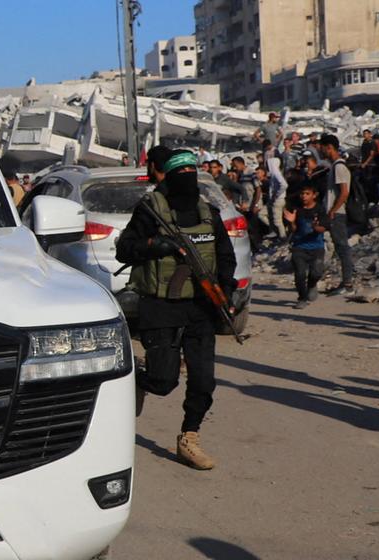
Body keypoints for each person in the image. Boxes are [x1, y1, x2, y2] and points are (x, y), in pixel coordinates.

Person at [116, 147, 237, 471]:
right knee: (163, 381)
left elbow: (225, 256)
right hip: (160, 306)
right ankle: (142, 379)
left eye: (191, 174)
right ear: (168, 177)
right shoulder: (150, 211)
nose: (186, 181)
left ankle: (189, 436)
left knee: (203, 379)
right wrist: (156, 246)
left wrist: (224, 292)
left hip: (200, 308)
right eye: (180, 175)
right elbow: (124, 250)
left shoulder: (208, 213)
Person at [316, 134, 355, 295]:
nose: (320, 150)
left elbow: (344, 192)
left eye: (322, 147)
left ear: (329, 147)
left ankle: (347, 284)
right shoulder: (334, 167)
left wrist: (332, 210)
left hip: (337, 214)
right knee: (337, 247)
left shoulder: (339, 167)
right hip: (334, 213)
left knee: (342, 248)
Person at [284, 184, 327, 310]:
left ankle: (312, 285)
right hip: (299, 246)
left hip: (316, 247)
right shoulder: (297, 209)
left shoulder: (320, 210)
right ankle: (302, 298)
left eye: (307, 194)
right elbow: (294, 230)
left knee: (317, 272)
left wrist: (315, 227)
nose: (304, 196)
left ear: (314, 195)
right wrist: (291, 221)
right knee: (300, 274)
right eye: (302, 193)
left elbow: (323, 228)